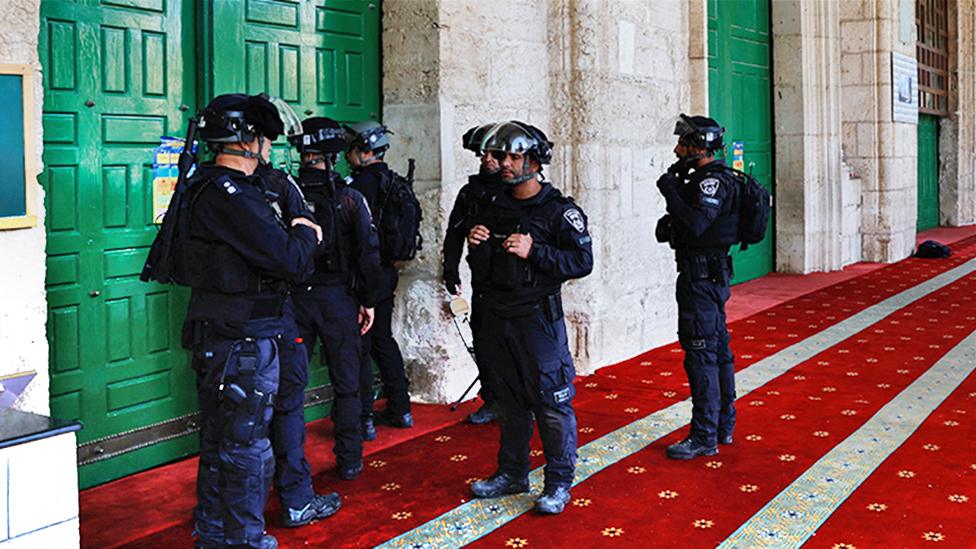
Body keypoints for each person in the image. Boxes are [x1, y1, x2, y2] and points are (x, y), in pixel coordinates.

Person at [157, 94, 339, 549]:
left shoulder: (209, 186)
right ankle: (242, 540)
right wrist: (302, 227)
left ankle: (217, 534)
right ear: (249, 141)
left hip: (228, 335)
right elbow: (291, 260)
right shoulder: (229, 194)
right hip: (241, 341)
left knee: (224, 443)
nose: (270, 150)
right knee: (246, 449)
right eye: (265, 140)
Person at [465, 121, 593, 515]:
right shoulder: (493, 204)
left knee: (552, 403)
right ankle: (513, 472)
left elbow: (582, 262)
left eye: (512, 156)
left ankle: (558, 482)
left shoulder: (559, 211)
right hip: (497, 317)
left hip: (537, 320)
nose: (503, 163)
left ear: (534, 161)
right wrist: (477, 246)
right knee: (509, 401)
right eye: (500, 156)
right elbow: (485, 268)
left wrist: (536, 252)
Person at [289, 117, 382, 480]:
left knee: (289, 388)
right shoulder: (349, 198)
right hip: (337, 300)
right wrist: (368, 300)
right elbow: (368, 255)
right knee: (347, 382)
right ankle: (350, 458)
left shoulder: (286, 193)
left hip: (295, 299)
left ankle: (290, 467)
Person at [654, 114, 738, 460]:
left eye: (683, 143)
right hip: (706, 276)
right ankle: (723, 425)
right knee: (716, 351)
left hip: (702, 280)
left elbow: (697, 224)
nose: (677, 149)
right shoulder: (701, 179)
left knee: (703, 354)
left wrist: (671, 192)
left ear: (698, 146)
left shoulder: (711, 183)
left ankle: (705, 435)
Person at [344, 120, 414, 434]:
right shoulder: (394, 181)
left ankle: (365, 418)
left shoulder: (359, 187)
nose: (347, 154)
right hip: (387, 271)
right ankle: (401, 408)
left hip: (362, 274)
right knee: (382, 340)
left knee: (359, 344)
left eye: (352, 149)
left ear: (365, 151)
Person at [442, 122, 504, 424]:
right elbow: (455, 232)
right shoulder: (471, 192)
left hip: (517, 282)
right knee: (484, 340)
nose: (488, 160)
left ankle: (526, 400)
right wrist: (450, 268)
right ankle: (492, 398)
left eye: (494, 154)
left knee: (518, 345)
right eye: (484, 154)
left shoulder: (518, 190)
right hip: (483, 279)